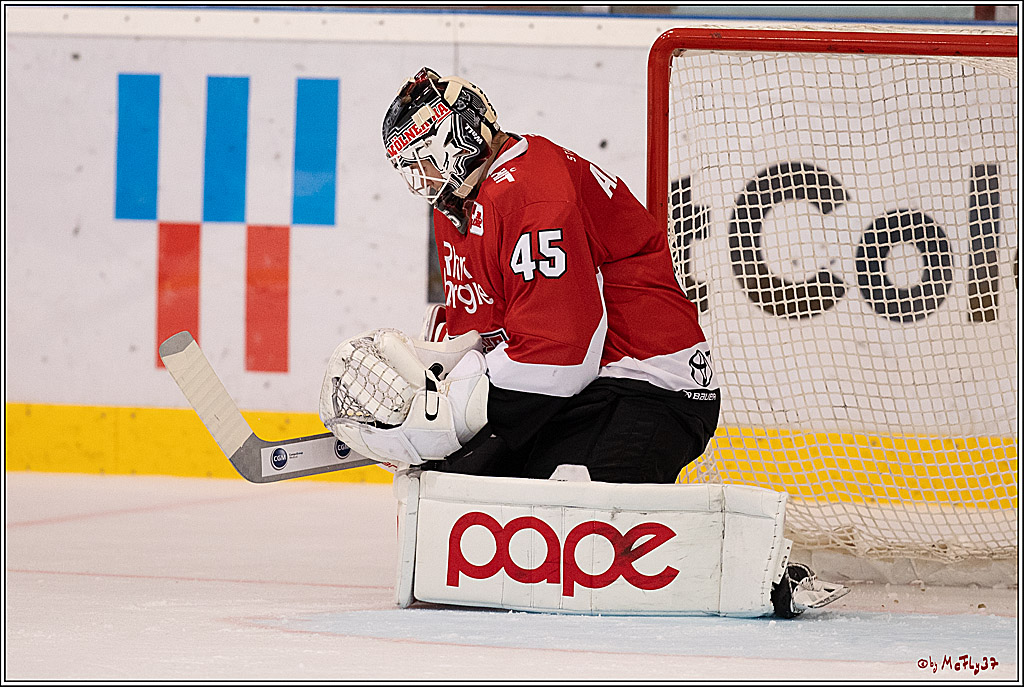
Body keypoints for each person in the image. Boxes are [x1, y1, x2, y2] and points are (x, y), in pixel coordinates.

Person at [375, 66, 721, 485]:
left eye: (424, 161)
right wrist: (437, 380)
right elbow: (485, 333)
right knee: (451, 483)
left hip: (645, 384)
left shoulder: (530, 192)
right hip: (574, 390)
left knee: (565, 507)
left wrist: (449, 414)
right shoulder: (457, 211)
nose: (420, 182)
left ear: (461, 137)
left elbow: (563, 351)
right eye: (409, 169)